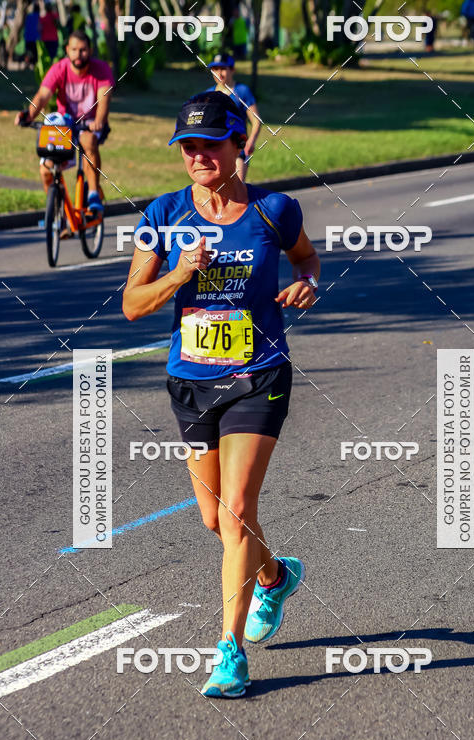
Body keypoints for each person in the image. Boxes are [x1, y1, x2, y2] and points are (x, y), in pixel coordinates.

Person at [122, 91, 320, 698]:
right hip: (191, 380)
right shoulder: (163, 214)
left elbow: (306, 259)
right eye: (188, 147)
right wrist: (182, 272)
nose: (198, 156)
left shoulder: (274, 210)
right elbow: (132, 304)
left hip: (259, 374)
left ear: (239, 145)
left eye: (210, 145)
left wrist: (307, 283)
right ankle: (275, 575)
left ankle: (229, 653)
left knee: (235, 509)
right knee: (216, 519)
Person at [14, 30, 114, 213]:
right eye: (74, 50)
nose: (78, 54)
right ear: (67, 50)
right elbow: (42, 96)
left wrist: (99, 120)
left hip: (89, 124)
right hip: (65, 125)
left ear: (90, 51)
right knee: (46, 170)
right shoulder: (59, 69)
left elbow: (104, 100)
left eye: (83, 50)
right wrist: (28, 115)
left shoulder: (101, 70)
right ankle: (57, 215)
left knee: (88, 142)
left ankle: (93, 193)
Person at [206, 52, 261, 182]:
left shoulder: (242, 91)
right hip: (216, 149)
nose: (219, 73)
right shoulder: (208, 94)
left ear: (232, 70)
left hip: (238, 148)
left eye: (223, 69)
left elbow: (256, 121)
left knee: (237, 186)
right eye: (215, 69)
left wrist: (251, 141)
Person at [24, 3, 40, 68]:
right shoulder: (39, 17)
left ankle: (27, 64)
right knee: (35, 52)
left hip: (28, 37)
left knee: (28, 52)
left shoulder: (28, 17)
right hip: (35, 38)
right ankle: (34, 65)